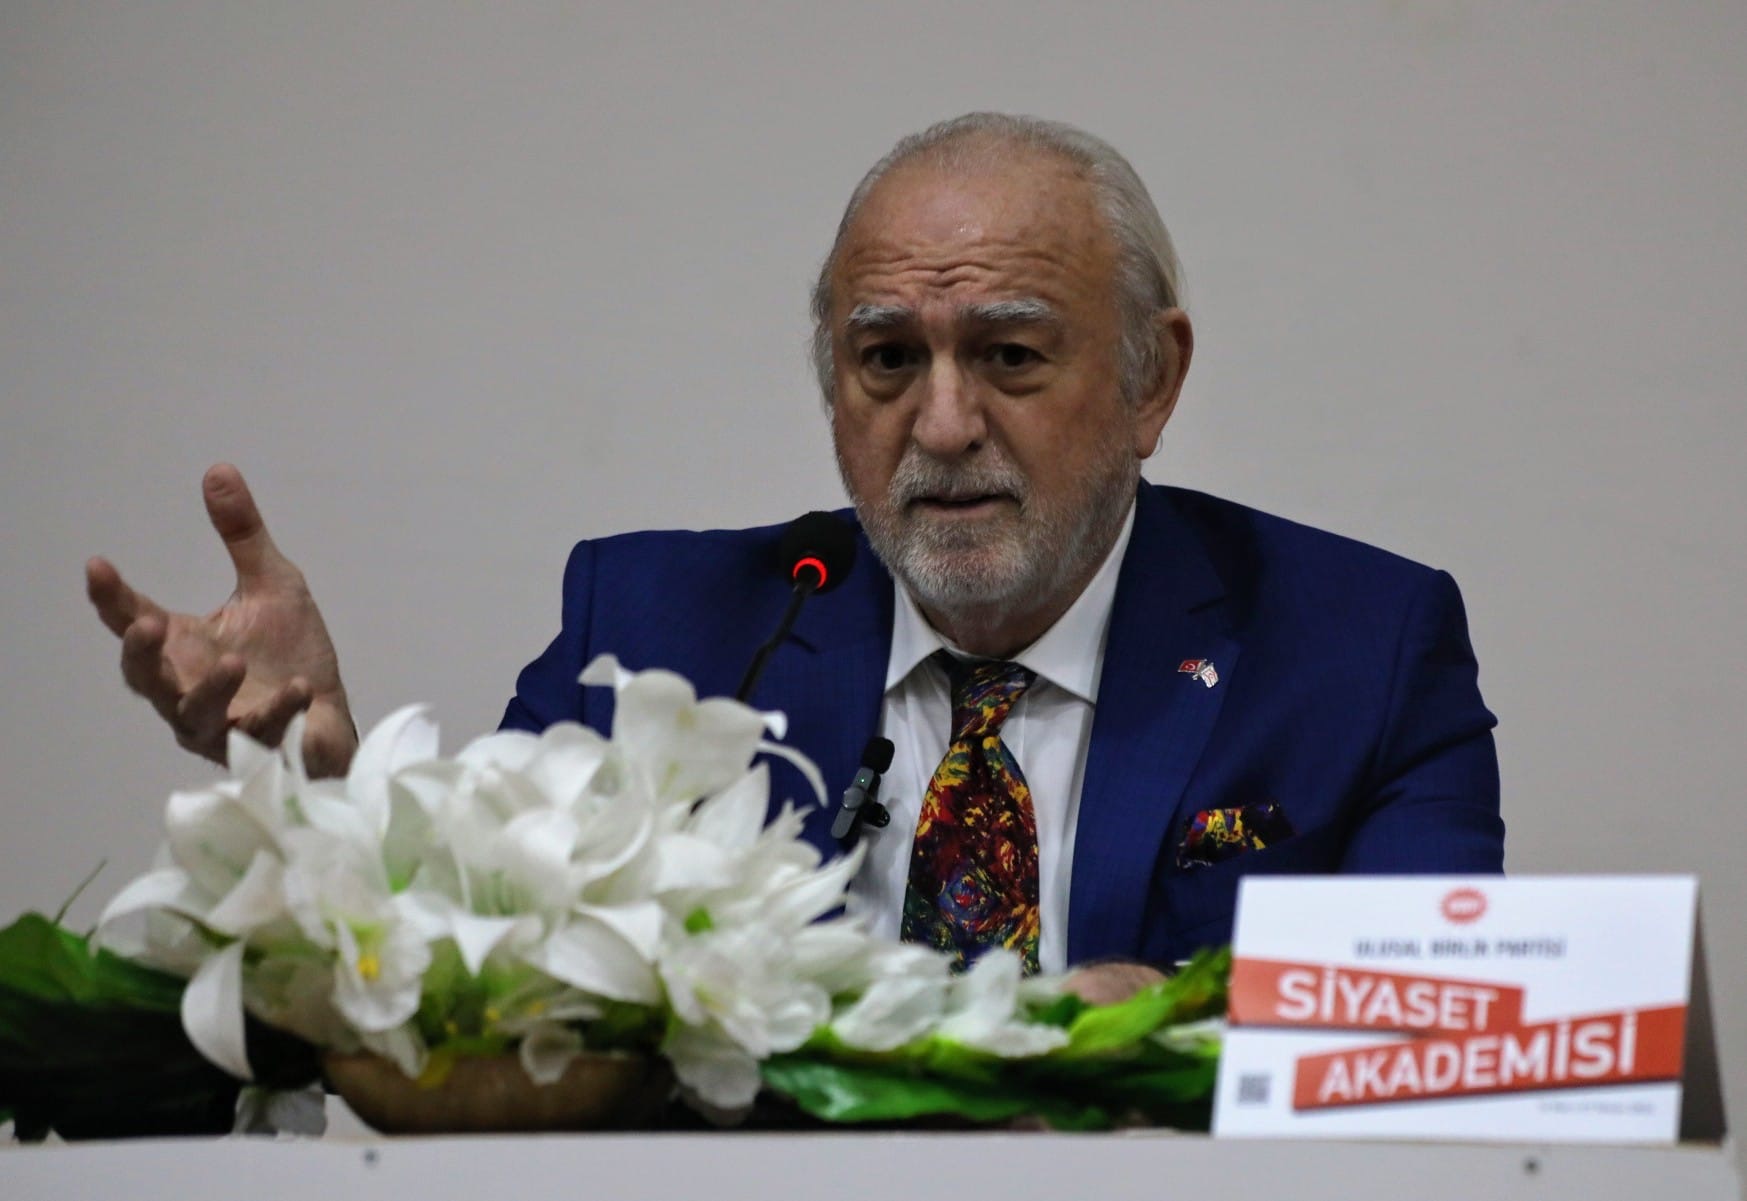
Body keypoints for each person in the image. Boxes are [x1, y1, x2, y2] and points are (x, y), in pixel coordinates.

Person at [86, 114, 1503, 1001]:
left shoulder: (1361, 649)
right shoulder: (657, 627)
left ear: (1151, 380)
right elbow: (490, 972)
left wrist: (1174, 1028)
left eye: (1011, 355)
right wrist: (332, 793)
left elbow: (1444, 1029)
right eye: (886, 360)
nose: (941, 425)